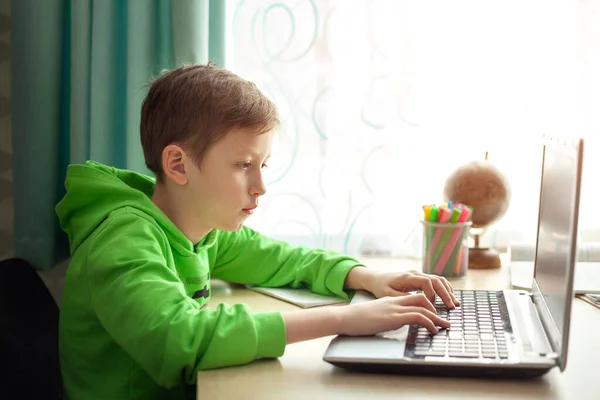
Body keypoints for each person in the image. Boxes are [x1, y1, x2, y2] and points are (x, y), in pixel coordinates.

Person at [55, 63, 459, 400]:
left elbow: (281, 260)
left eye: (262, 165)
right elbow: (182, 339)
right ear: (178, 165)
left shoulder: (200, 227)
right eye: (242, 164)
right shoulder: (124, 239)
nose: (260, 187)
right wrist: (345, 320)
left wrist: (368, 277)